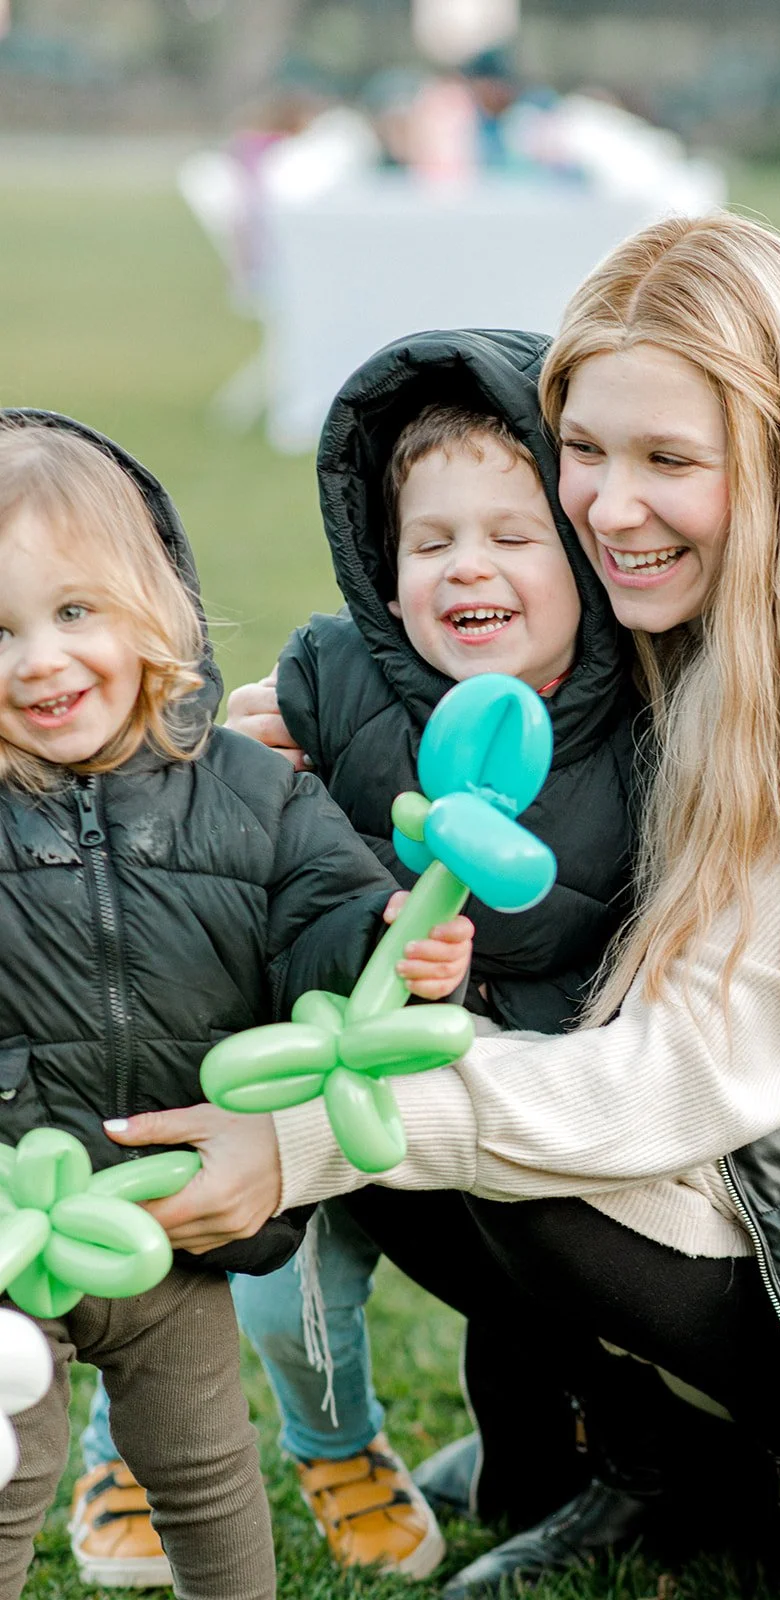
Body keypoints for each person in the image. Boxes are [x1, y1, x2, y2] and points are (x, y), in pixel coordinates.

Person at [108, 214, 780, 1600]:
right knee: (432, 1055)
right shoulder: (683, 600)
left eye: (668, 461)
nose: (607, 510)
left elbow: (685, 1078)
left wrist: (304, 1137)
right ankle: (647, 1458)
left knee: (470, 1129)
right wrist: (301, 749)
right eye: (585, 451)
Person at [79, 333, 642, 1584]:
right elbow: (213, 827)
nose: (466, 566)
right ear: (383, 574)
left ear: (586, 560)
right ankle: (179, 1445)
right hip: (308, 1056)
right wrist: (234, 769)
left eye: (511, 535)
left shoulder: (643, 720)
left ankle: (532, 1460)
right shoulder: (332, 681)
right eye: (429, 543)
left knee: (532, 1307)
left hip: (510, 1093)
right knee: (257, 1280)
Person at [0, 413, 472, 1599]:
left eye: (74, 611)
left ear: (154, 607)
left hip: (181, 1214)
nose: (39, 661)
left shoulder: (251, 795)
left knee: (207, 1467)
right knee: (10, 1469)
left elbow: (322, 927)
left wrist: (385, 941)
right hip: (13, 1230)